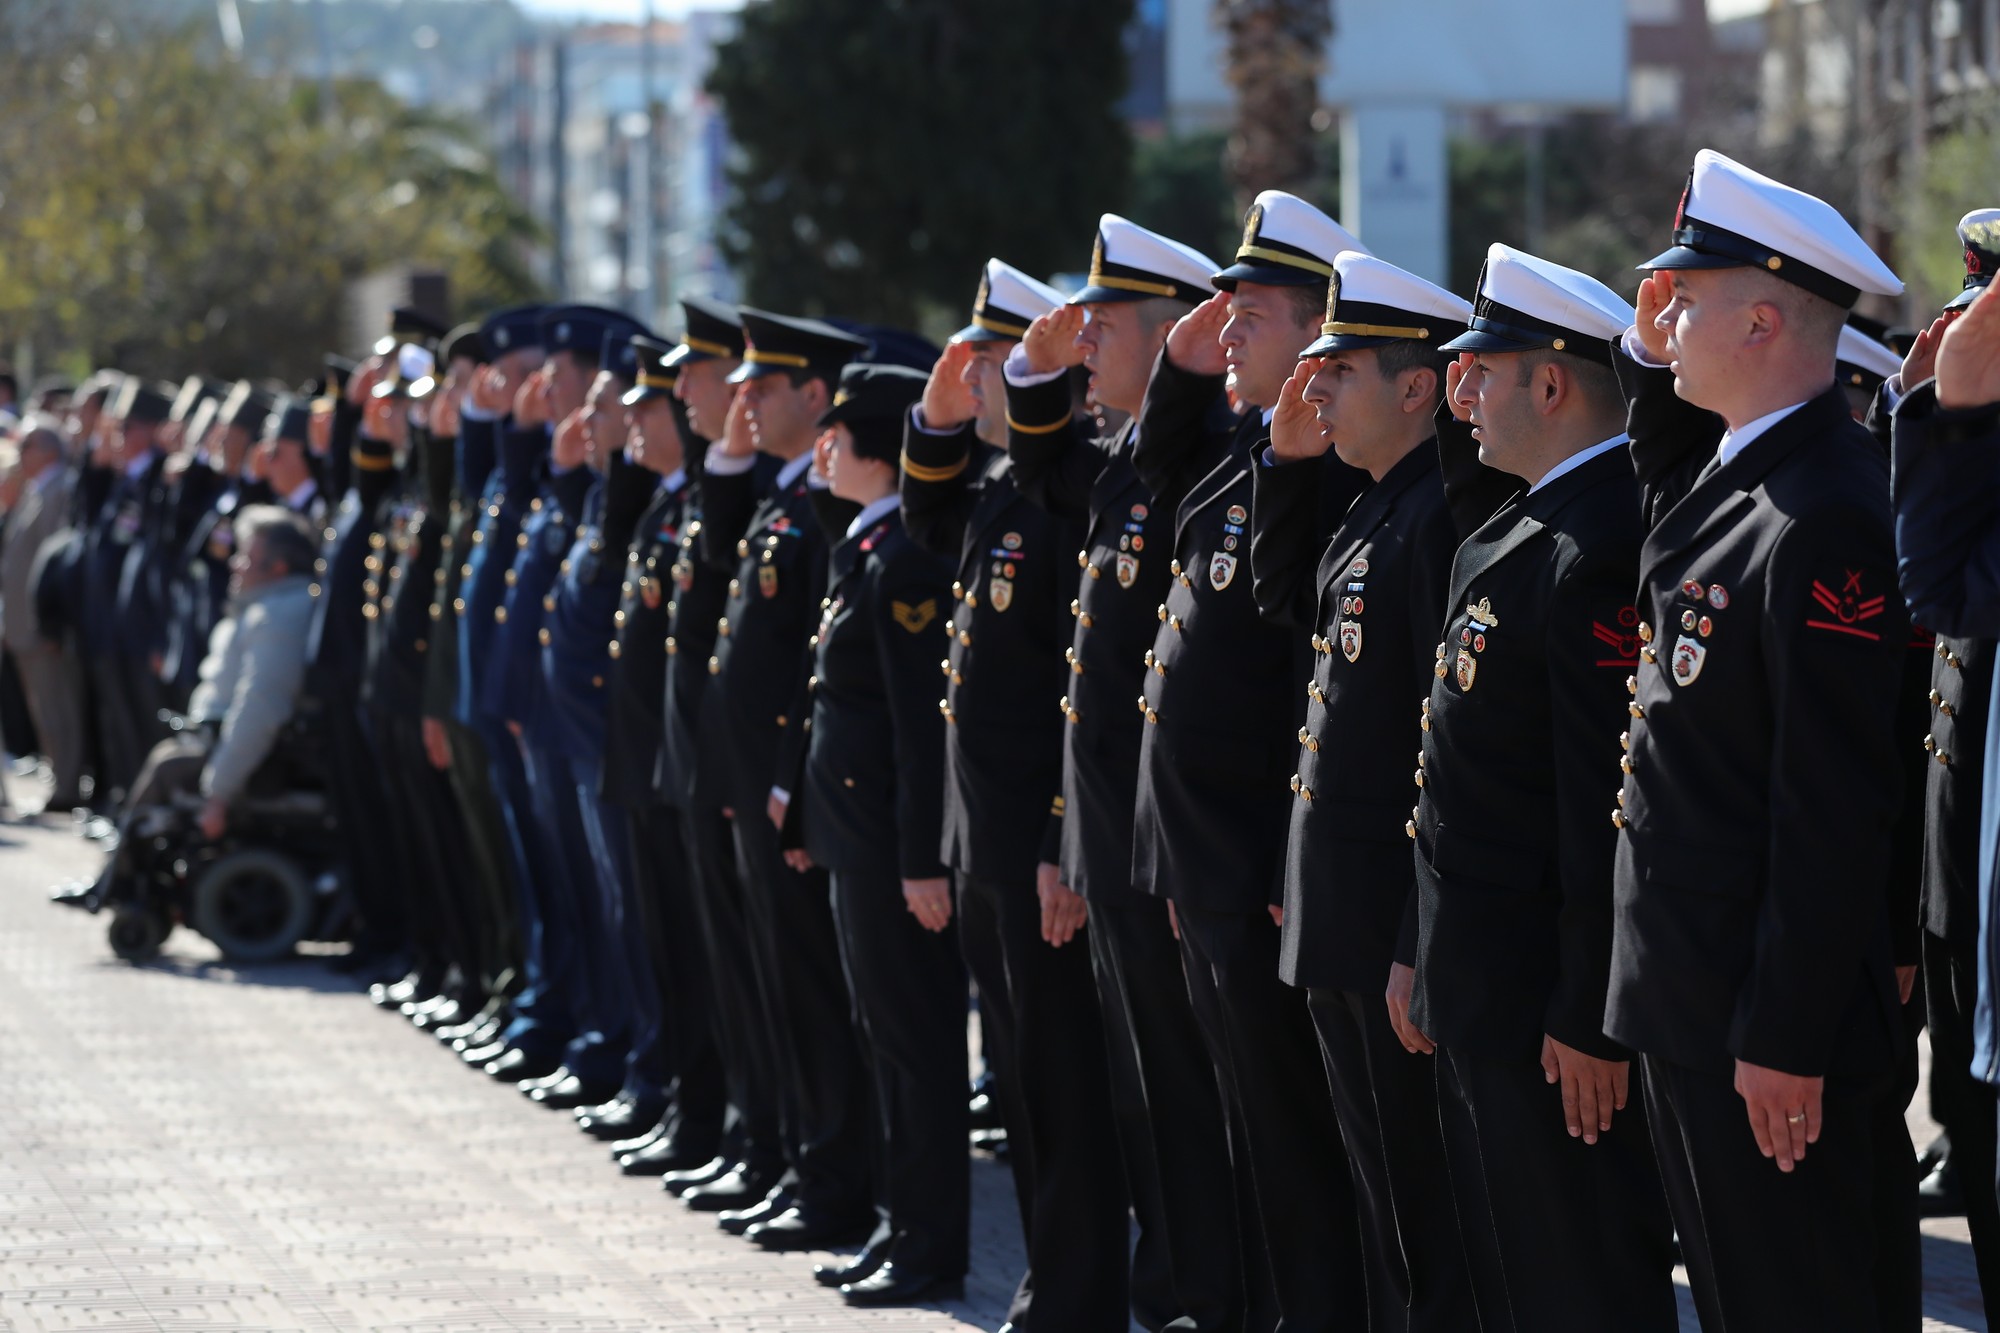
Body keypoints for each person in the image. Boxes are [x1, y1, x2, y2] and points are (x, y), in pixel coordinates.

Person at [1607, 149, 1912, 1332]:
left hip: (1760, 1028)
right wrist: (1646, 359)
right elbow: (1663, 496)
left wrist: (1782, 1033)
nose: (1664, 314)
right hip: (1694, 1001)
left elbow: (1829, 805)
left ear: (1766, 318)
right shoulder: (1746, 473)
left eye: (1688, 296)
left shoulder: (1829, 508)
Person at [1414, 242, 1675, 1332]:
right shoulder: (1523, 527)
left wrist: (1587, 1016)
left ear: (1553, 383)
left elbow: (1601, 815)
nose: (1459, 392)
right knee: (1515, 1278)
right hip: (1483, 988)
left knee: (1577, 1282)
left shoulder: (1595, 547)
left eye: (1484, 368)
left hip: (1544, 1016)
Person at [997, 225, 1249, 1332]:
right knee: (1153, 1097)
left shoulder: (1195, 461)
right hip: (1115, 835)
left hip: (1174, 843)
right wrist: (1030, 373)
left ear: (1174, 337)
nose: (1083, 339)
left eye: (1104, 326)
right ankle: (1184, 1290)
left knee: (1200, 1100)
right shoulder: (1126, 465)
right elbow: (1043, 469)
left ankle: (1212, 1294)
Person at [1129, 192, 1370, 1330]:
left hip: (1263, 869)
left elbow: (1301, 694)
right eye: (1223, 312)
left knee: (1299, 1141)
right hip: (1209, 865)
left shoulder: (1326, 480)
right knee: (1251, 1129)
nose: (1226, 330)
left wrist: (1276, 863)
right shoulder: (1249, 454)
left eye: (1255, 313)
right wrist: (1184, 367)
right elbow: (1143, 470)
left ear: (1321, 332)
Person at [1250, 250, 1480, 1332]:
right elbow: (1286, 617)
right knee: (1377, 1206)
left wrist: (1408, 932)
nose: (1314, 392)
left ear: (1416, 386)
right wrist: (1289, 470)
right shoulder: (1373, 506)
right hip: (1336, 912)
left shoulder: (1436, 521)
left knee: (1421, 1214)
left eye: (1337, 372)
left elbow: (1442, 751)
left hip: (1386, 925)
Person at [903, 247, 1130, 1330]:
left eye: (993, 360)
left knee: (1059, 1086)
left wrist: (1057, 837)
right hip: (981, 835)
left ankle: (1073, 1292)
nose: (976, 375)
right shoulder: (1001, 489)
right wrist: (934, 427)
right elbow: (925, 528)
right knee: (1025, 1084)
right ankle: (1050, 1279)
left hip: (1034, 841)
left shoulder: (1061, 491)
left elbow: (1070, 683)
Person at [691, 308, 874, 1251]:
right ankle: (791, 1158)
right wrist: (730, 456)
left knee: (810, 992)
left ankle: (833, 1178)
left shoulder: (829, 504)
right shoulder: (780, 491)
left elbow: (815, 667)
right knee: (771, 984)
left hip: (788, 788)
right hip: (755, 783)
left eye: (762, 388)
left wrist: (787, 781)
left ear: (818, 395)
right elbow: (722, 562)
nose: (743, 402)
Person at [784, 361, 964, 1306]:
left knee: (917, 1047)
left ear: (875, 449)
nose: (822, 450)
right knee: (883, 1040)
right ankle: (902, 1226)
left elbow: (912, 729)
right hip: (857, 840)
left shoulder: (906, 560)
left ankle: (930, 1245)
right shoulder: (866, 545)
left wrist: (922, 859)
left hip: (896, 854)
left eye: (838, 436)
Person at [68, 505, 319, 909]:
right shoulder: (264, 607)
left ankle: (124, 886)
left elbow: (260, 710)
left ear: (278, 567)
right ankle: (120, 882)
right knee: (168, 759)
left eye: (246, 557)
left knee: (170, 766)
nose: (234, 565)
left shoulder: (280, 616)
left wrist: (219, 794)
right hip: (224, 738)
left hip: (270, 762)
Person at [1, 417, 85, 810]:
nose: (21, 453)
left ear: (50, 449)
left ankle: (67, 787)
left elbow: (56, 563)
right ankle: (59, 781)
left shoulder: (60, 490)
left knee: (57, 709)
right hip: (23, 623)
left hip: (41, 624)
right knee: (43, 710)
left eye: (29, 444)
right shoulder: (37, 489)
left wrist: (51, 622)